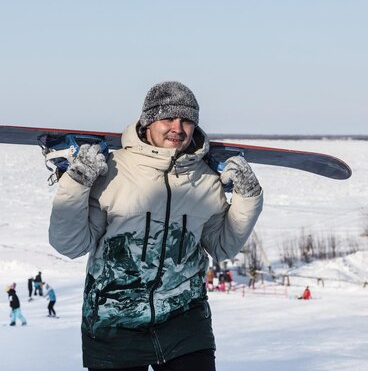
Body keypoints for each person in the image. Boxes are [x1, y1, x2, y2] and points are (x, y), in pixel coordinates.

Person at [49, 81, 264, 370]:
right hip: (114, 322)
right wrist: (76, 182)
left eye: (187, 120)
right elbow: (70, 244)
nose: (178, 127)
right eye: (168, 118)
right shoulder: (113, 171)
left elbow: (222, 246)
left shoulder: (206, 180)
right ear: (148, 121)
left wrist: (248, 198)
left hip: (185, 321)